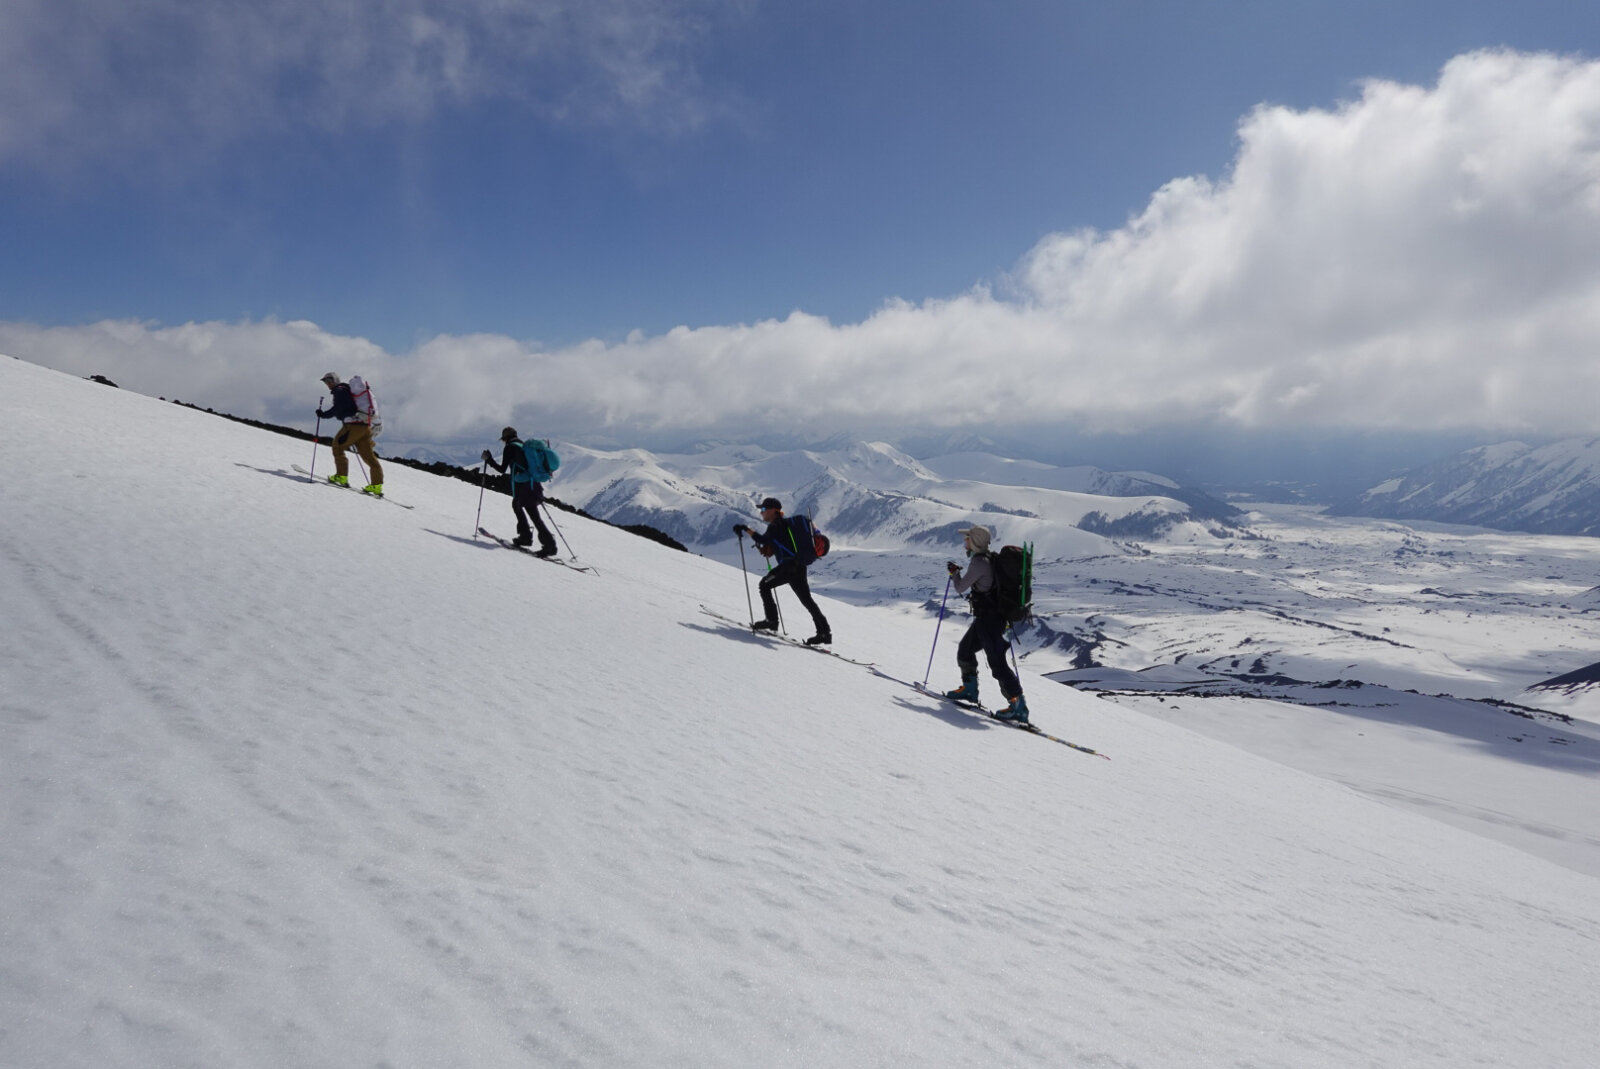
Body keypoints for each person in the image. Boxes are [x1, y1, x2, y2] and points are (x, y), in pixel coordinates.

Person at [945, 525, 1029, 722]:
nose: (965, 542)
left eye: (967, 539)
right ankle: (969, 690)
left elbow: (960, 587)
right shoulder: (989, 559)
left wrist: (954, 573)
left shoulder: (979, 563)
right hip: (990, 618)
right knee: (965, 650)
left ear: (974, 542)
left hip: (990, 620)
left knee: (997, 663)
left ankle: (1018, 706)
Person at [733, 497, 832, 646]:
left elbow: (762, 539)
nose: (761, 513)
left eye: (764, 510)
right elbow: (777, 544)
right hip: (799, 566)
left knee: (764, 585)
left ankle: (772, 621)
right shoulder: (786, 525)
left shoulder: (775, 526)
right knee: (807, 600)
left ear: (774, 511)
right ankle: (824, 633)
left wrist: (745, 529)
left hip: (788, 567)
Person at [482, 427, 557, 556]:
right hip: (533, 484)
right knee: (531, 512)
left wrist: (489, 460)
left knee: (518, 506)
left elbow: (502, 469)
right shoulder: (523, 446)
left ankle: (528, 538)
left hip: (523, 486)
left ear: (505, 439)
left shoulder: (510, 447)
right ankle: (546, 544)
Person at [316, 372, 384, 496]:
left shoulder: (339, 391)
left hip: (353, 426)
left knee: (337, 447)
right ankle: (376, 485)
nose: (327, 384)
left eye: (328, 381)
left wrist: (324, 414)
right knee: (368, 456)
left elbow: (339, 408)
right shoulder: (347, 390)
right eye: (326, 382)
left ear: (334, 380)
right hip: (364, 426)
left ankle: (341, 477)